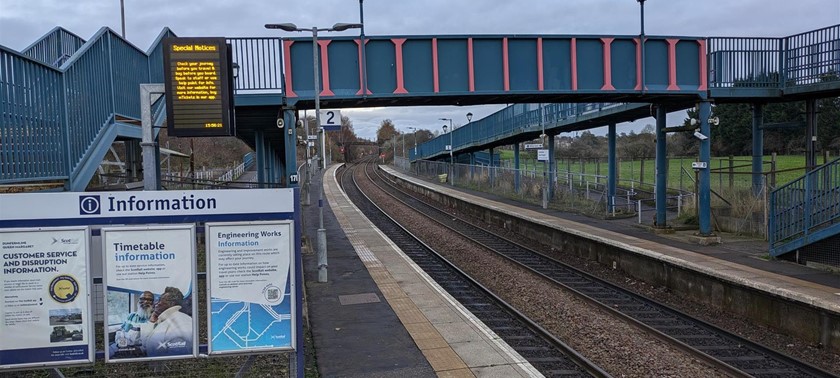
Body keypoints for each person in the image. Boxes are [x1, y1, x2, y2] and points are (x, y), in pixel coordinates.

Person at [139, 286, 193, 357]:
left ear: (171, 304)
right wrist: (152, 321)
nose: (155, 304)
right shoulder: (164, 320)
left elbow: (179, 354)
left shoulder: (181, 320)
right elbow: (145, 345)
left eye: (159, 300)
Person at [109, 291, 154, 357]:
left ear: (153, 303)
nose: (145, 302)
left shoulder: (154, 320)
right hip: (122, 347)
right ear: (138, 301)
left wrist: (140, 350)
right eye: (142, 299)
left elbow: (152, 342)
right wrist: (122, 345)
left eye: (149, 300)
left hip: (139, 353)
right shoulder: (131, 316)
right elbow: (120, 332)